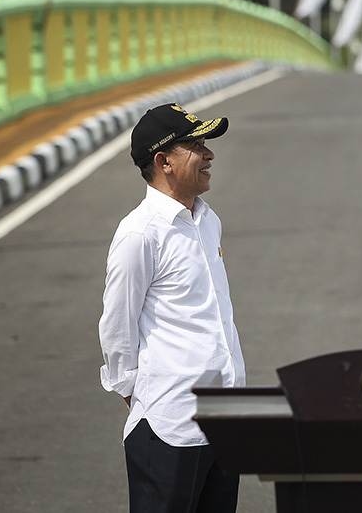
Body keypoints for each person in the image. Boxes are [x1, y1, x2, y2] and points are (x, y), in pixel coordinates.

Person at [99, 103, 246, 513]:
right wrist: (142, 397)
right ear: (163, 161)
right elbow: (116, 328)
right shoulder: (139, 234)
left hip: (224, 422)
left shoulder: (207, 220)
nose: (210, 154)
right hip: (170, 427)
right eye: (196, 146)